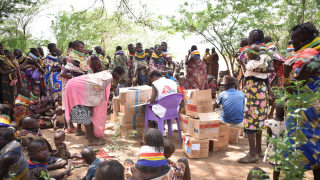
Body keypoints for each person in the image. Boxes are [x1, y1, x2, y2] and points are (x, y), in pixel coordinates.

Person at [283, 22, 320, 179]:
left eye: (293, 40)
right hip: (313, 107)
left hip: (304, 111)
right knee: (316, 146)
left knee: (299, 149)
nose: (292, 44)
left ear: (301, 38)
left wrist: (286, 74)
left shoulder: (312, 60)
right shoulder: (316, 56)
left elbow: (292, 89)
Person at [238, 29, 275, 164]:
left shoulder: (257, 55)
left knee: (249, 121)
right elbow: (270, 69)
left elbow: (271, 69)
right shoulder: (264, 54)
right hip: (262, 90)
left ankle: (252, 153)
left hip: (254, 90)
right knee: (259, 119)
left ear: (254, 38)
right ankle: (258, 150)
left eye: (249, 36)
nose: (248, 38)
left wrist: (253, 70)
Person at [65, 67, 125, 145]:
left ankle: (91, 136)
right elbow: (95, 92)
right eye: (121, 76)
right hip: (76, 87)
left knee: (87, 112)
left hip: (77, 85)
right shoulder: (108, 78)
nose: (121, 79)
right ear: (116, 74)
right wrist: (90, 105)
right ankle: (91, 140)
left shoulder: (109, 73)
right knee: (85, 112)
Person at [124, 128, 191, 180]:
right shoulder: (169, 169)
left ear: (143, 145)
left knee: (128, 162)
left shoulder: (135, 170)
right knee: (183, 160)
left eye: (142, 141)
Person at [263, 103, 285, 180]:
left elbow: (268, 138)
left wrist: (268, 148)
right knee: (286, 166)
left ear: (275, 109)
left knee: (276, 167)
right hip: (284, 147)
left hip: (274, 147)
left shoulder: (270, 122)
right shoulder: (287, 123)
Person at [0, 43, 16, 108]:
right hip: (2, 81)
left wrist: (13, 72)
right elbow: (2, 72)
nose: (2, 50)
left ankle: (11, 113)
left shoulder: (5, 58)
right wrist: (13, 70)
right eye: (0, 49)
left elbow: (12, 68)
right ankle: (5, 113)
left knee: (10, 97)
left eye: (2, 48)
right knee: (4, 97)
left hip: (9, 80)